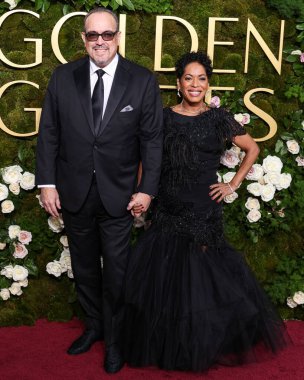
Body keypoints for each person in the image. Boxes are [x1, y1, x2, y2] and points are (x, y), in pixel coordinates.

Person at [124, 51, 290, 372]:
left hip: (203, 210)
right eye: (189, 78)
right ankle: (168, 345)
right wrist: (143, 193)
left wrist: (232, 184)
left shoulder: (219, 119)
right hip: (167, 208)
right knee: (165, 279)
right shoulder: (162, 117)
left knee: (199, 281)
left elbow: (253, 148)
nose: (195, 84)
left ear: (208, 85)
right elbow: (148, 159)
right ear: (178, 83)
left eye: (201, 79)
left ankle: (199, 345)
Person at [35, 7, 163, 374]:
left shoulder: (141, 80)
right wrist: (47, 183)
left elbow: (152, 142)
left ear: (118, 37)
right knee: (86, 269)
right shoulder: (63, 77)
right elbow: (49, 135)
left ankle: (116, 341)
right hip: (74, 193)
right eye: (93, 35)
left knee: (118, 273)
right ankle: (94, 326)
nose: (100, 41)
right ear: (84, 39)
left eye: (107, 34)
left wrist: (146, 190)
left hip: (120, 196)